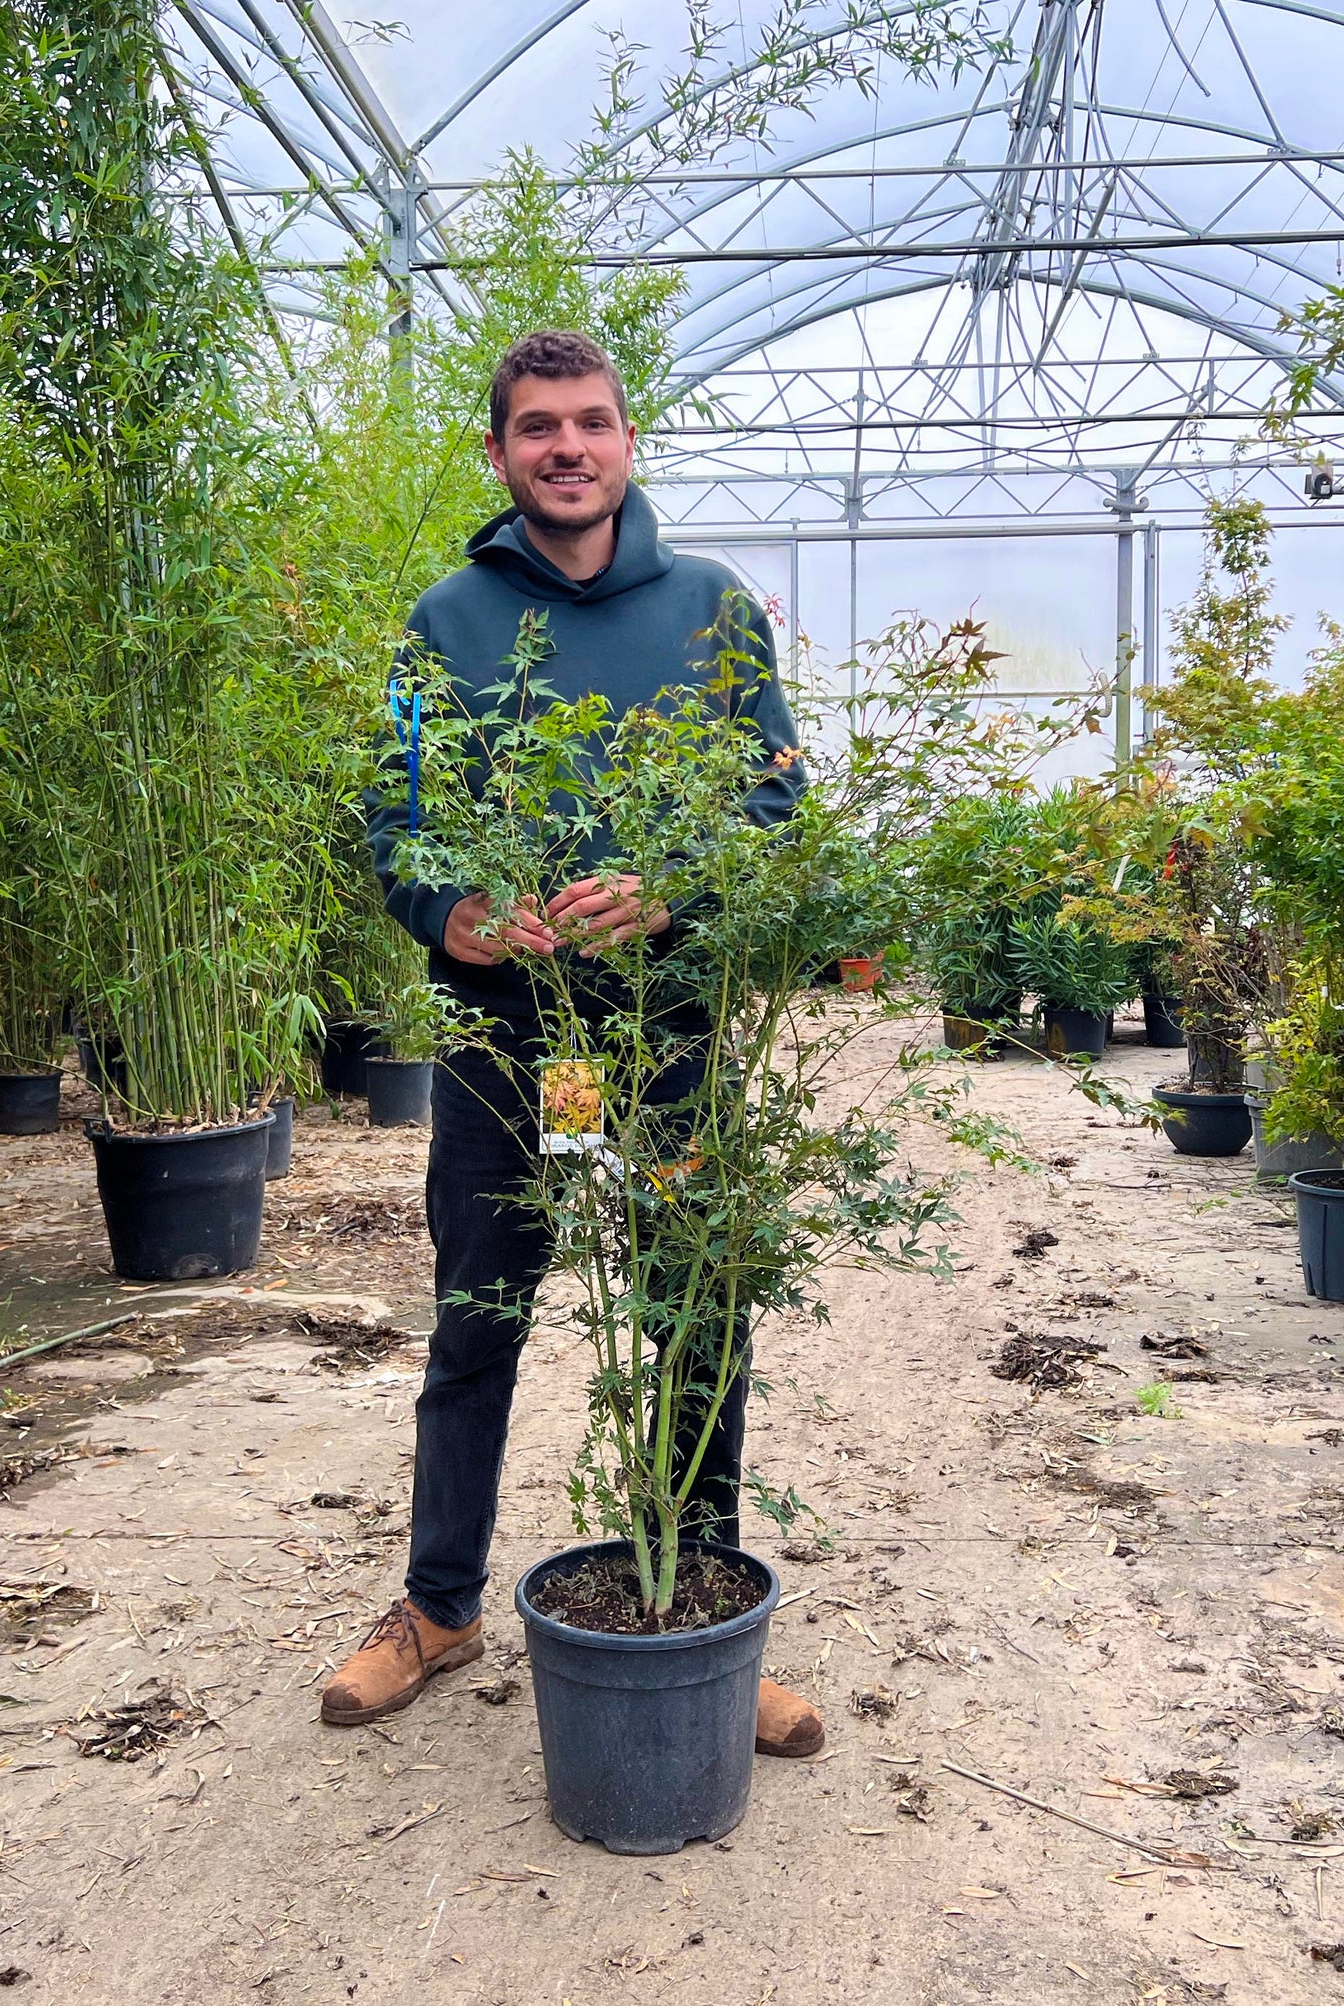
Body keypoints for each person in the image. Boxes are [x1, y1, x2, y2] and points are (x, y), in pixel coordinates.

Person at [320, 329, 824, 1758]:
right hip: (506, 1041)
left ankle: (705, 1602)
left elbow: (777, 815)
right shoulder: (444, 623)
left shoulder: (716, 611)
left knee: (690, 1314)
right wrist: (452, 911)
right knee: (480, 1317)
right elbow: (396, 818)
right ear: (497, 453)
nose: (565, 446)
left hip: (664, 1038)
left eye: (589, 422)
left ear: (625, 441)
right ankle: (435, 1607)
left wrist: (673, 891)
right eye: (535, 426)